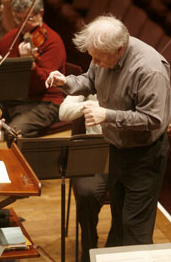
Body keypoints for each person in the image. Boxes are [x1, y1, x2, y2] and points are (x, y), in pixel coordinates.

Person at [46, 15, 171, 249]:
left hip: (145, 155)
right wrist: (65, 82)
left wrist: (107, 115)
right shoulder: (104, 54)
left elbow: (154, 119)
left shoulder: (149, 70)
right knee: (120, 223)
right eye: (92, 57)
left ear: (119, 50)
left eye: (99, 58)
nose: (95, 62)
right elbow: (90, 80)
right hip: (117, 149)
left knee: (136, 229)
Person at [0, 0, 66, 147]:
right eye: (18, 19)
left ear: (40, 13)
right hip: (14, 99)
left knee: (14, 132)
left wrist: (29, 64)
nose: (22, 26)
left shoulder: (53, 42)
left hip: (44, 103)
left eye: (27, 19)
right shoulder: (14, 35)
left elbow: (44, 85)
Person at [59, 94, 114, 262]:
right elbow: (63, 113)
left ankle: (113, 248)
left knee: (129, 195)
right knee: (87, 193)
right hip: (92, 158)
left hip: (121, 157)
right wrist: (89, 105)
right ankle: (89, 247)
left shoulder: (126, 83)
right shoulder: (86, 86)